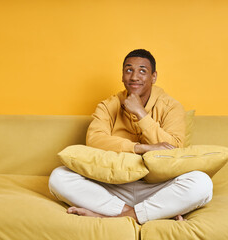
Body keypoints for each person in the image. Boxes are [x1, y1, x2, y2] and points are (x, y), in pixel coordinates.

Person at [49, 49, 213, 224]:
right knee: (59, 177)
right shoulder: (108, 105)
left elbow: (174, 148)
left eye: (142, 71)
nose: (134, 77)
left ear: (154, 76)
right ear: (122, 76)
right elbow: (95, 139)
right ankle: (144, 213)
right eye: (129, 70)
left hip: (157, 188)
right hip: (113, 185)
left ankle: (109, 216)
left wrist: (141, 114)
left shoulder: (171, 107)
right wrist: (140, 148)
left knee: (201, 183)